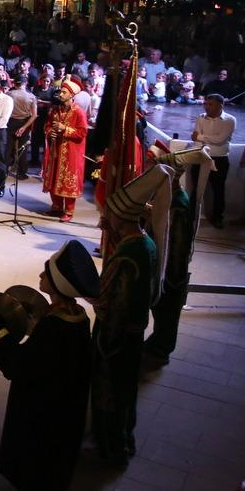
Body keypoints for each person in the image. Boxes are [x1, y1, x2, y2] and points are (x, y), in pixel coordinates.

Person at [0, 240, 99, 491]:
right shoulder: (78, 317)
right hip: (65, 416)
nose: (40, 276)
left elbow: (19, 367)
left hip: (43, 420)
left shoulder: (54, 327)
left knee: (34, 483)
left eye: (46, 273)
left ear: (57, 284)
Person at [92, 165, 171, 467]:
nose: (104, 218)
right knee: (127, 392)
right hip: (134, 334)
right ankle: (123, 438)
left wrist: (104, 339)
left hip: (118, 339)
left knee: (113, 390)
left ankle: (112, 447)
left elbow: (116, 303)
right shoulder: (145, 243)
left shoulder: (128, 253)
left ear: (120, 218)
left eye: (109, 214)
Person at [145, 146, 212, 367]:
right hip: (166, 268)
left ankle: (161, 350)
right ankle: (158, 343)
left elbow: (176, 245)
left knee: (167, 312)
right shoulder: (168, 196)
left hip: (171, 271)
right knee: (161, 310)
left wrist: (167, 276)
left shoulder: (178, 204)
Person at [42, 77, 89, 223]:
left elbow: (82, 133)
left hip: (71, 153)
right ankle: (56, 206)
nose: (60, 95)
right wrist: (51, 132)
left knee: (68, 180)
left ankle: (69, 210)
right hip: (56, 151)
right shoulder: (55, 111)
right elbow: (47, 126)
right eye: (60, 92)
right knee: (54, 177)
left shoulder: (79, 112)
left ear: (71, 95)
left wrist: (65, 129)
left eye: (63, 92)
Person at [191, 93, 234, 227]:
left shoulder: (229, 120)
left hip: (219, 159)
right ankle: (191, 216)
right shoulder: (200, 118)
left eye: (210, 104)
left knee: (218, 190)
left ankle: (217, 218)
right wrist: (205, 139)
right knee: (196, 189)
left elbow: (220, 140)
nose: (206, 107)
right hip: (201, 157)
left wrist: (201, 137)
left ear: (221, 106)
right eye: (205, 104)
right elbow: (194, 139)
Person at [6, 76, 38, 180]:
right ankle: (21, 172)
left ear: (14, 83)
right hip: (25, 122)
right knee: (22, 149)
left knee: (8, 148)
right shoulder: (31, 96)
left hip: (10, 122)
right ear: (25, 83)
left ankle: (4, 170)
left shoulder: (9, 94)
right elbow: (34, 115)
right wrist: (24, 127)